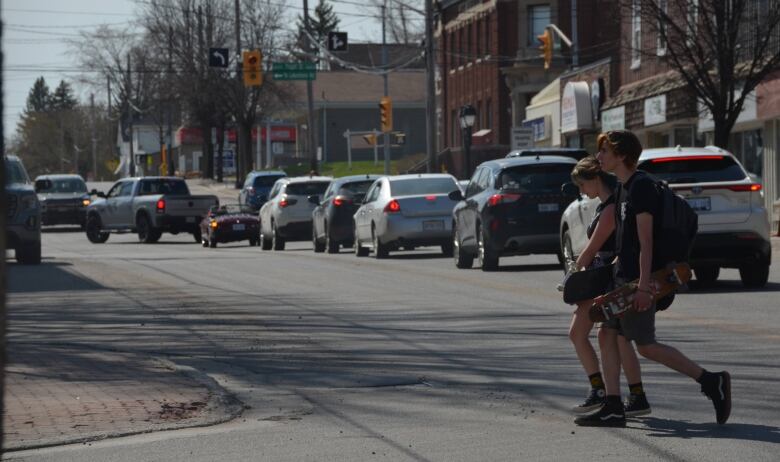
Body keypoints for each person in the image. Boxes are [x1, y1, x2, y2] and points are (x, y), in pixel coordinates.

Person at [575, 130, 731, 427]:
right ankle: (612, 406)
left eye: (605, 151)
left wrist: (644, 287)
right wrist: (606, 286)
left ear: (621, 155)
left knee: (645, 345)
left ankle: (712, 381)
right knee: (606, 334)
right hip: (622, 281)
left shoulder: (641, 188)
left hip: (640, 282)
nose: (599, 157)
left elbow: (646, 243)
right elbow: (626, 246)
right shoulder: (622, 188)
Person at [567, 156, 651, 417]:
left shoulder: (611, 208)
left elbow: (593, 248)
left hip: (604, 280)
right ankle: (632, 396)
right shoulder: (608, 204)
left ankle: (603, 392)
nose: (582, 191)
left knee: (585, 334)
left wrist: (572, 273)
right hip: (603, 279)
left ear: (594, 179)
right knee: (615, 340)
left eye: (583, 185)